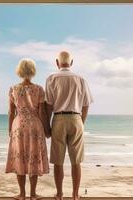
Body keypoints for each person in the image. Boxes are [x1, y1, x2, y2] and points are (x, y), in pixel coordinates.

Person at [45, 51, 93, 200]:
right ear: (71, 63)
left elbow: (48, 106)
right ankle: (75, 195)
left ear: (57, 62)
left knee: (58, 161)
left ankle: (59, 195)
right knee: (76, 161)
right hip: (76, 118)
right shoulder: (80, 79)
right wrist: (81, 122)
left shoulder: (51, 78)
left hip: (58, 119)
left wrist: (47, 126)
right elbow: (85, 105)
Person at [5, 58, 50, 200]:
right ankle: (33, 194)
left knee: (20, 158)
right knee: (33, 158)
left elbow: (11, 112)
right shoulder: (38, 89)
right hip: (35, 126)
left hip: (18, 126)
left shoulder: (13, 89)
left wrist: (9, 129)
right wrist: (46, 128)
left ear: (19, 71)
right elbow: (42, 112)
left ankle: (22, 194)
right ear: (33, 71)